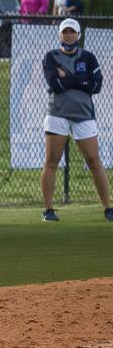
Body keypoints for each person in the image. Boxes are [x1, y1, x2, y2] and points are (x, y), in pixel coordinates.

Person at [40, 19, 111, 222]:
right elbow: (55, 84)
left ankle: (108, 208)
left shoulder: (88, 57)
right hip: (57, 115)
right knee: (51, 162)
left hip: (84, 115)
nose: (69, 35)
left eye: (72, 32)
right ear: (60, 34)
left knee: (94, 161)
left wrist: (68, 79)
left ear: (78, 35)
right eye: (65, 31)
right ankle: (48, 210)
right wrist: (82, 81)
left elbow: (96, 86)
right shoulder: (51, 57)